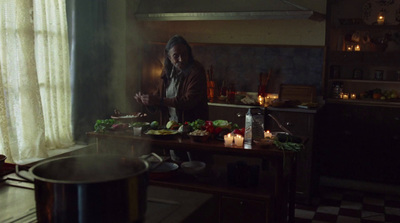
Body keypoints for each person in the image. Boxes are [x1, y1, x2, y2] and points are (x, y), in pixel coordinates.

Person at [135, 35, 209, 125]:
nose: (181, 59)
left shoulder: (196, 71)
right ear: (169, 57)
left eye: (184, 54)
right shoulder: (166, 72)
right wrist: (147, 101)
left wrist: (159, 100)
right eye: (176, 56)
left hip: (192, 129)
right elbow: (159, 98)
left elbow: (188, 101)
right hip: (169, 128)